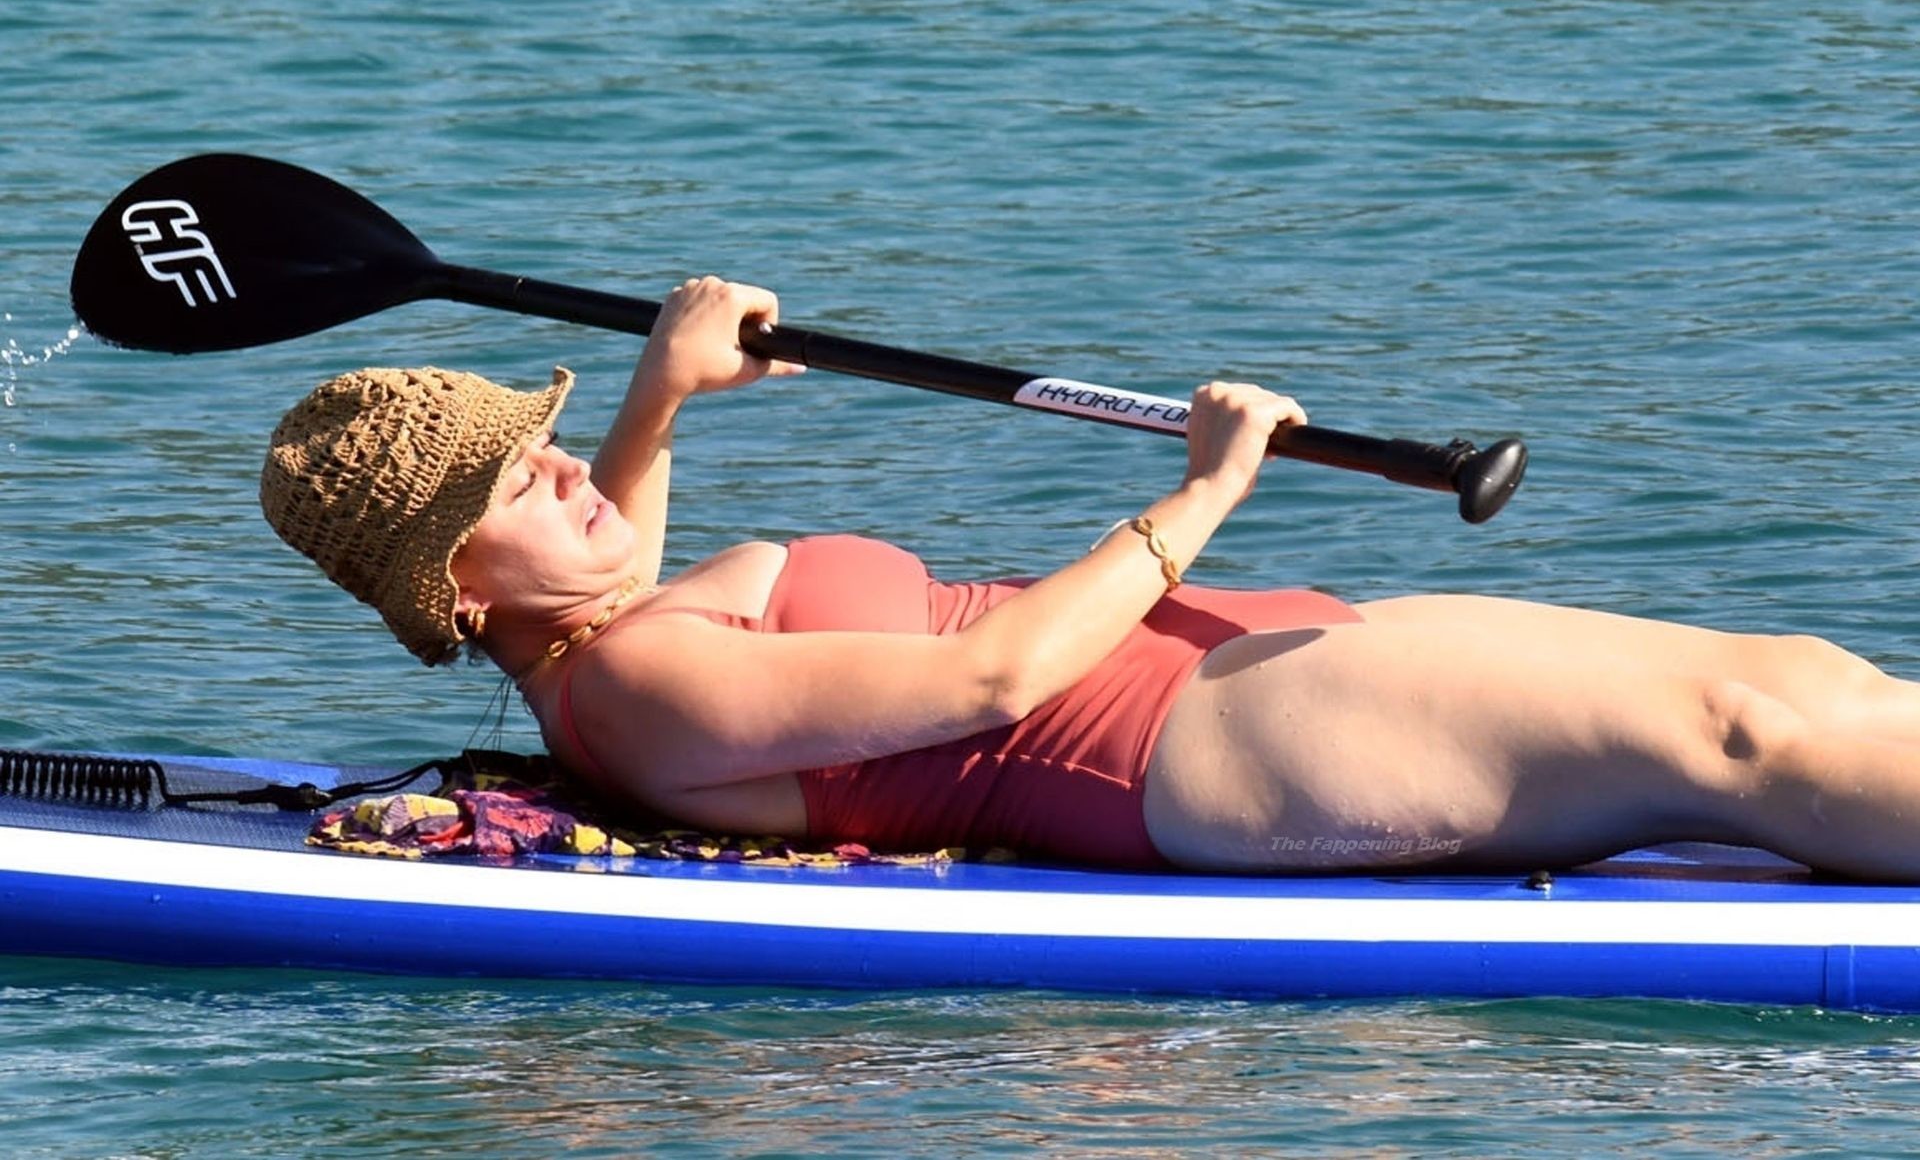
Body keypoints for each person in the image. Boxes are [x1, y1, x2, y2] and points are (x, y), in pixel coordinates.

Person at [262, 278, 1920, 878]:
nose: (565, 469)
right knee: (1740, 735)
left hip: (1229, 670)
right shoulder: (633, 688)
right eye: (520, 479)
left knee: (1799, 676)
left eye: (547, 441)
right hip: (1200, 748)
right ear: (461, 594)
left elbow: (612, 555)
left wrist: (659, 391)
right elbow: (989, 681)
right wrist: (1202, 493)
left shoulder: (606, 628)